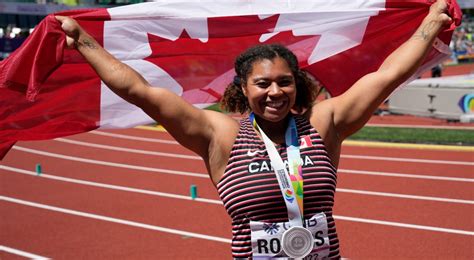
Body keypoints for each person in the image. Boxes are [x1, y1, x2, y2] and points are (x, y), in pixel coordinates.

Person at [55, 0, 452, 258]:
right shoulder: (220, 135)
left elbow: (387, 75)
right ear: (243, 88)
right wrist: (84, 41)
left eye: (285, 81)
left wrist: (430, 24)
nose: (275, 92)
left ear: (297, 84)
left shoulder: (322, 123)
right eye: (263, 84)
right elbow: (139, 90)